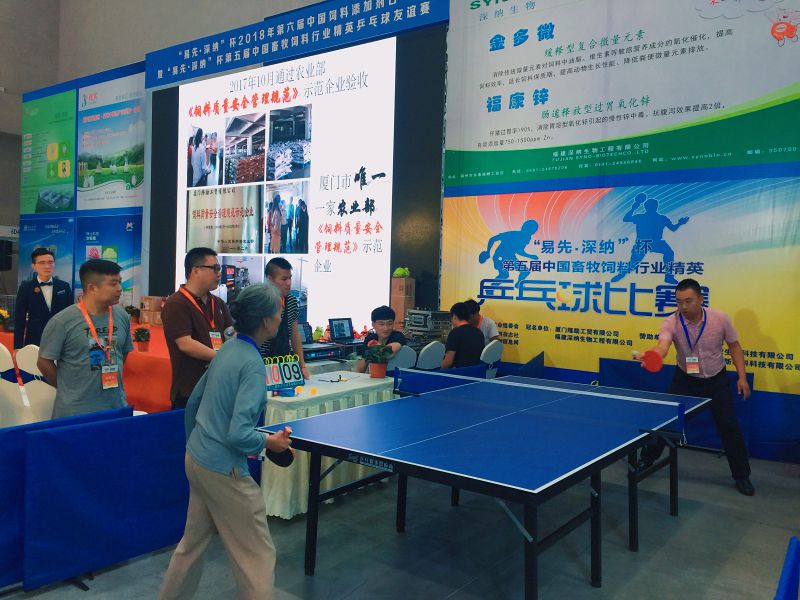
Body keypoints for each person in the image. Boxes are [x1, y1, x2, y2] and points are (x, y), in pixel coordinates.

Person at [159, 283, 291, 600]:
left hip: (197, 458)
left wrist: (197, 445)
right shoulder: (252, 364)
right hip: (224, 470)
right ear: (266, 321)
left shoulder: (227, 349)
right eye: (278, 311)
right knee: (257, 557)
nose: (281, 315)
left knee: (190, 547)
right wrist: (270, 444)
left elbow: (194, 404)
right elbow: (238, 435)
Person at [638, 278, 755, 496]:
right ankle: (646, 459)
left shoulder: (720, 319)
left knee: (729, 426)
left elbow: (734, 346)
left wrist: (742, 377)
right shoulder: (671, 322)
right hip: (685, 379)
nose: (683, 306)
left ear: (701, 299)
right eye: (679, 301)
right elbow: (663, 345)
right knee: (665, 422)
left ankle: (742, 476)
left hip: (716, 380)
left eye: (688, 301)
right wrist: (655, 355)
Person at [37, 259, 133, 418]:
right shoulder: (62, 321)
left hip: (116, 407)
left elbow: (122, 354)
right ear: (92, 288)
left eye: (120, 282)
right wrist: (67, 388)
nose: (119, 289)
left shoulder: (122, 316)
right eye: (113, 283)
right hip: (75, 411)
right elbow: (44, 362)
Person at [162, 248, 233, 410]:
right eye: (214, 268)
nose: (219, 274)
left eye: (219, 269)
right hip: (190, 391)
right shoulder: (176, 303)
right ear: (195, 271)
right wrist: (221, 357)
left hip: (218, 387)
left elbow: (230, 334)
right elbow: (185, 344)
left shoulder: (218, 303)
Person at [13, 248, 73, 349]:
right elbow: (19, 319)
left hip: (61, 340)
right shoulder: (25, 288)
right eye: (42, 263)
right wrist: (17, 347)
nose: (47, 266)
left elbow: (71, 316)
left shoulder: (64, 286)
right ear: (34, 266)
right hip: (35, 340)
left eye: (50, 262)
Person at [260, 257, 309, 378]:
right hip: (261, 363)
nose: (288, 283)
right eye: (284, 279)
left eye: (290, 278)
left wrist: (302, 365)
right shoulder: (260, 301)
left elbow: (295, 334)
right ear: (270, 279)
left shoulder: (291, 301)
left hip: (284, 363)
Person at [355, 305, 407, 373]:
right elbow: (360, 369)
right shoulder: (370, 339)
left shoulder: (398, 336)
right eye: (381, 324)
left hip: (397, 376)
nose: (386, 328)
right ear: (373, 324)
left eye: (389, 324)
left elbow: (388, 353)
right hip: (376, 376)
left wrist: (374, 346)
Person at [441, 302, 486, 369]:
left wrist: (438, 370)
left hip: (459, 373)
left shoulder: (454, 333)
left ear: (454, 316)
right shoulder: (479, 332)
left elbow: (448, 362)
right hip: (476, 372)